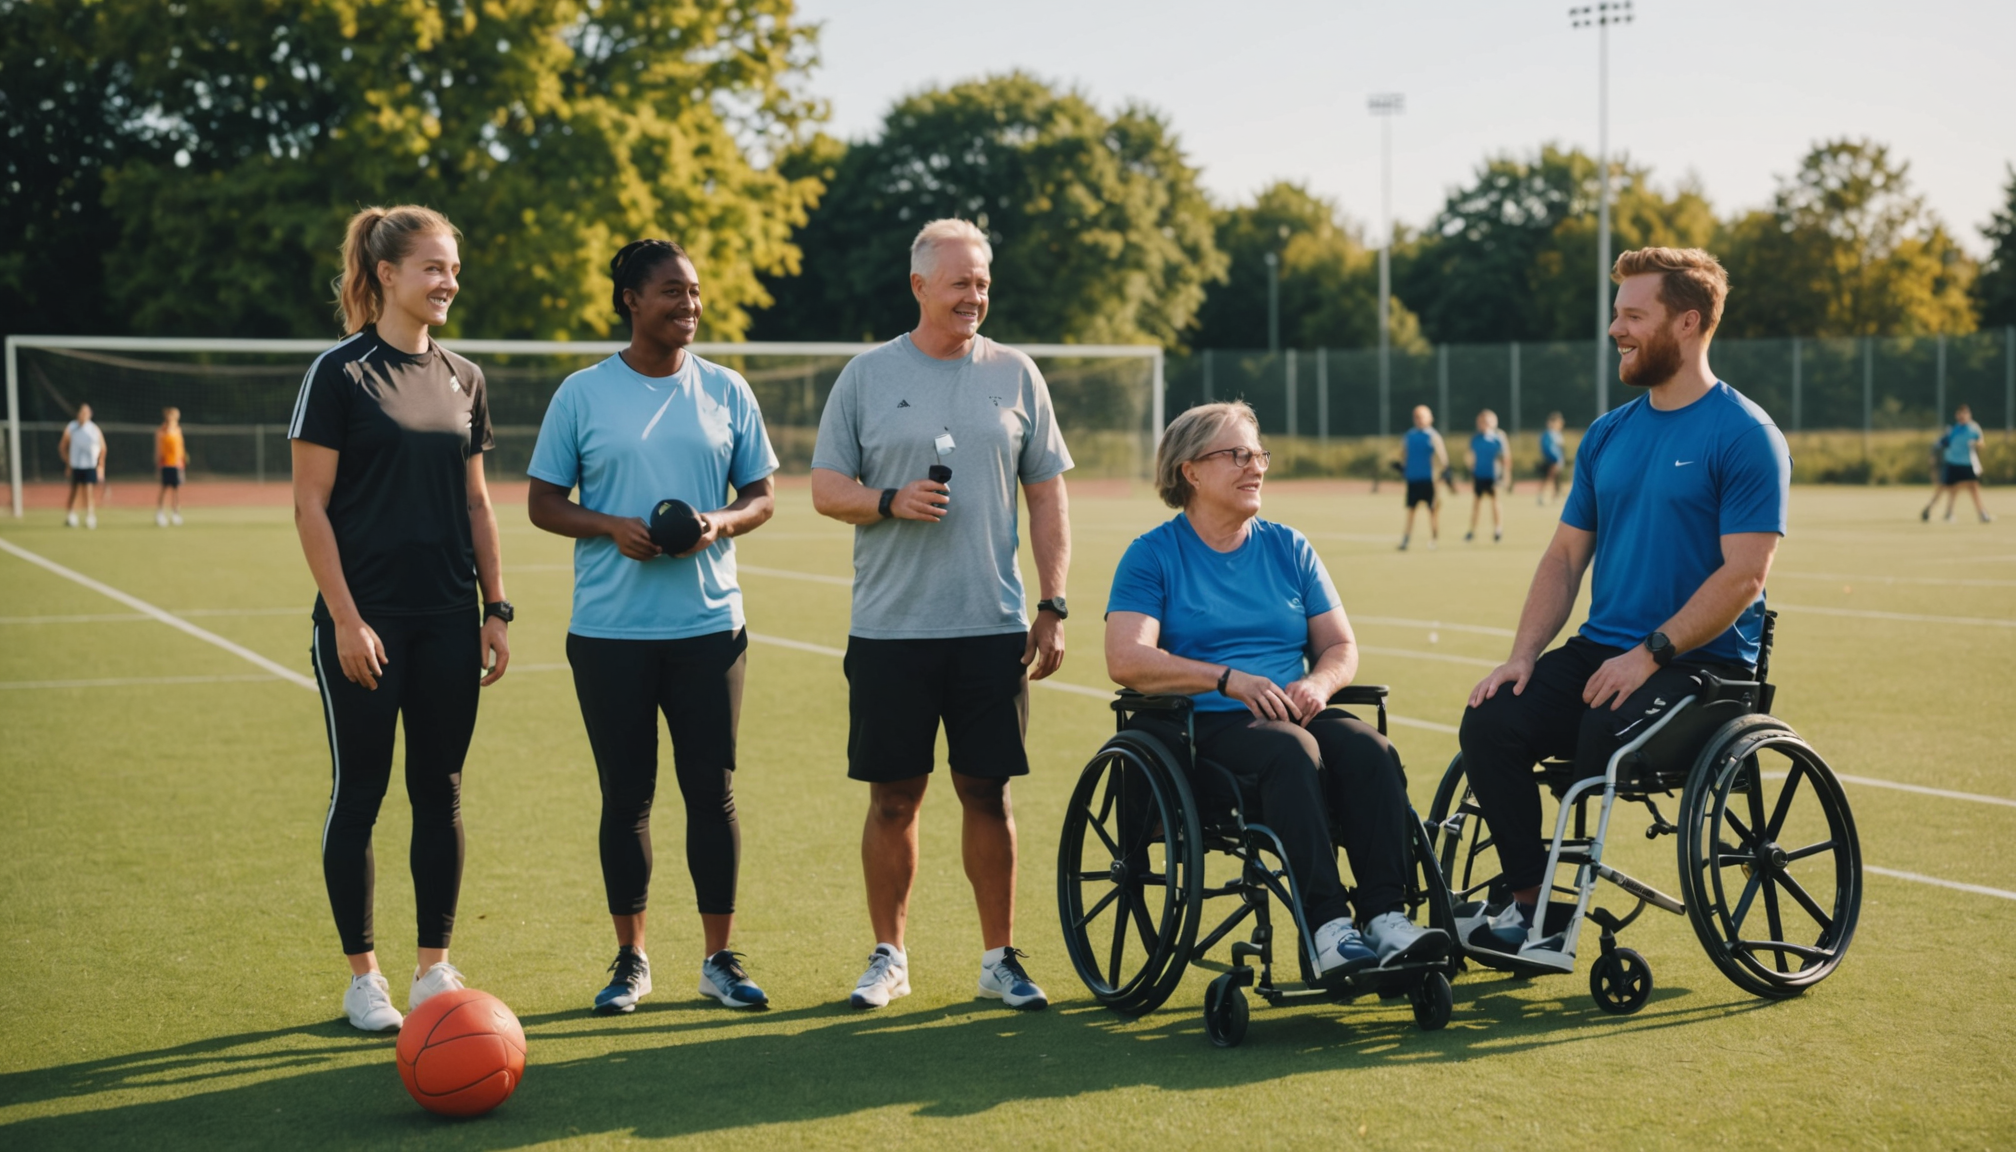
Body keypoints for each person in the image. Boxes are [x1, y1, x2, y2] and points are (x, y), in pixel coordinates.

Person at [1457, 247, 1789, 972]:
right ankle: (1529, 904)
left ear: (1689, 322)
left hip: (1698, 666)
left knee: (1600, 729)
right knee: (1490, 719)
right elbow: (1564, 557)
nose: (1616, 329)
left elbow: (1745, 576)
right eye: (1617, 314)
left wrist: (1650, 653)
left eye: (1634, 314)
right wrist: (1521, 657)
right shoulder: (1609, 433)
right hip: (1603, 649)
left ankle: (1549, 912)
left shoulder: (1746, 435)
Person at [810, 218, 1072, 1012]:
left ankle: (999, 959)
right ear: (920, 286)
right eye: (960, 282)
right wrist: (888, 501)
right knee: (894, 799)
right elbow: (826, 489)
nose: (975, 294)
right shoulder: (863, 375)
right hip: (891, 629)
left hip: (990, 626)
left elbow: (1047, 496)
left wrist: (1052, 602)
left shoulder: (1019, 374)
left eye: (983, 280)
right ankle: (889, 956)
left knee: (987, 794)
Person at [1106, 401, 1451, 975]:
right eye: (1237, 455)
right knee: (1293, 753)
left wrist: (1319, 682)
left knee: (1371, 750)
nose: (1256, 467)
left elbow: (1340, 646)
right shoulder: (1153, 555)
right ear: (1190, 470)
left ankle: (1387, 917)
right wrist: (1226, 679)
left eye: (1259, 454)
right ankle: (1328, 927)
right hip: (1203, 726)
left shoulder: (1288, 546)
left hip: (1295, 711)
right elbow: (1126, 658)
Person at [527, 240, 779, 1015]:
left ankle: (718, 960)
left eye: (696, 292)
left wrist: (719, 523)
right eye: (672, 291)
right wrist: (610, 527)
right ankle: (631, 960)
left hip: (709, 628)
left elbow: (763, 495)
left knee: (713, 793)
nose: (690, 305)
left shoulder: (728, 390)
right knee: (626, 798)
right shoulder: (581, 393)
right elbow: (542, 502)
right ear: (630, 299)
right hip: (610, 633)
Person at [289, 205, 512, 1032]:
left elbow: (479, 504)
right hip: (366, 624)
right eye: (433, 268)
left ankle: (431, 968)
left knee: (441, 791)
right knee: (362, 791)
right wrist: (347, 619)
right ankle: (364, 979)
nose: (448, 281)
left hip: (450, 622)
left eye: (453, 268)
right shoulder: (339, 374)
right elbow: (310, 508)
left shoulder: (465, 378)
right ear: (387, 274)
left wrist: (495, 610)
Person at [1921, 404, 1993, 524]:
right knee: (1945, 487)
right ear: (1957, 416)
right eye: (1960, 414)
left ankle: (1982, 513)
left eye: (1964, 414)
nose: (1962, 416)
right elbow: (1941, 443)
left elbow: (1981, 442)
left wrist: (1978, 444)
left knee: (1973, 488)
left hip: (1967, 463)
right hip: (1952, 463)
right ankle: (1929, 509)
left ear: (1969, 415)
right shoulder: (1953, 430)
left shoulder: (1974, 428)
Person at [1397, 405, 1446, 551]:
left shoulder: (1433, 436)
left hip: (1429, 480)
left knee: (1432, 510)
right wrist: (1401, 466)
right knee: (1411, 509)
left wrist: (1441, 473)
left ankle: (1433, 538)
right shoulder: (1409, 436)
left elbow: (1442, 458)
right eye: (1416, 417)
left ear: (1429, 418)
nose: (1419, 420)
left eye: (1422, 416)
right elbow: (1403, 453)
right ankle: (1406, 539)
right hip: (1413, 479)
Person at [1464, 408, 1511, 543]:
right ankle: (1472, 531)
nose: (1485, 423)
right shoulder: (1475, 439)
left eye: (1488, 421)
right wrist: (1471, 470)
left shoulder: (1498, 438)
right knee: (1476, 504)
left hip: (1493, 476)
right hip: (1479, 475)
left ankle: (1498, 530)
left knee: (1495, 502)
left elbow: (1505, 458)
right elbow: (1470, 456)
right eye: (1482, 421)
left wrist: (1506, 475)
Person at [59, 403, 105, 529]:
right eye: (81, 412)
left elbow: (103, 447)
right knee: (75, 490)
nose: (83, 415)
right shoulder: (72, 427)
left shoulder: (94, 429)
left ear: (90, 415)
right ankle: (71, 515)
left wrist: (101, 465)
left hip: (89, 465)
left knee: (88, 490)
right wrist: (68, 462)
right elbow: (63, 446)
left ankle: (90, 516)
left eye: (86, 412)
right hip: (76, 465)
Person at [155, 407, 187, 526]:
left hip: (177, 464)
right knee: (164, 489)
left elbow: (181, 447)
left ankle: (175, 513)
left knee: (176, 490)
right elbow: (158, 450)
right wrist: (158, 465)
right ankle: (160, 513)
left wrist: (183, 461)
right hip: (166, 464)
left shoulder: (178, 430)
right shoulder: (162, 431)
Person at [1537, 411, 1567, 506]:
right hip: (1551, 461)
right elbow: (1547, 448)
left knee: (1556, 480)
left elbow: (1561, 449)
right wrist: (1554, 460)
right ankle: (1541, 497)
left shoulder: (1558, 435)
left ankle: (1555, 497)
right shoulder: (1548, 434)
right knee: (1548, 479)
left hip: (1558, 461)